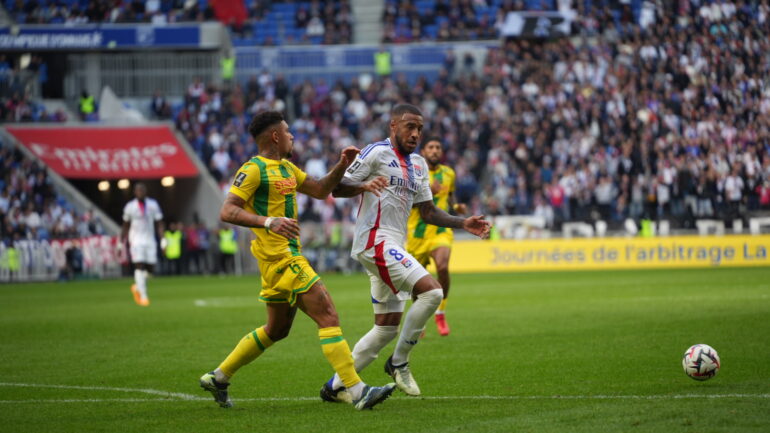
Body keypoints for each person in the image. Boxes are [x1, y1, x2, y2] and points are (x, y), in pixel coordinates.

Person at [199, 110, 396, 411]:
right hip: (281, 257)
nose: (292, 136)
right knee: (327, 313)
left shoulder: (287, 168)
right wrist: (268, 222)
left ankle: (219, 377)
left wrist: (342, 165)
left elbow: (319, 190)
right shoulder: (253, 170)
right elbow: (227, 211)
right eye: (288, 131)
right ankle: (356, 391)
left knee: (276, 330)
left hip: (280, 261)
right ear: (275, 136)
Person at [322, 104, 490, 401]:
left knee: (386, 328)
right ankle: (398, 362)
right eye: (409, 127)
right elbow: (338, 187)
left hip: (393, 244)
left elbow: (427, 211)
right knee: (433, 292)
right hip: (375, 240)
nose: (415, 134)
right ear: (393, 126)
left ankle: (335, 387)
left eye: (419, 129)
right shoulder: (375, 152)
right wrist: (363, 184)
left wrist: (462, 222)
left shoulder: (419, 165)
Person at [405, 137, 467, 336]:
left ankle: (440, 312)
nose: (434, 150)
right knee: (416, 280)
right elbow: (405, 202)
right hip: (418, 232)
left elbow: (450, 197)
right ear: (424, 151)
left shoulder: (449, 173)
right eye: (431, 147)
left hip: (440, 230)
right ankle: (419, 318)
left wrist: (457, 207)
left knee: (442, 266)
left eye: (438, 147)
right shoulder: (413, 173)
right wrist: (426, 193)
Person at [121, 182, 164, 307]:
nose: (140, 192)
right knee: (139, 265)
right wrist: (120, 243)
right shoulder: (130, 206)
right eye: (138, 191)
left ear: (146, 192)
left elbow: (159, 223)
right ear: (135, 192)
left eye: (142, 190)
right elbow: (125, 226)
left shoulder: (153, 205)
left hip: (150, 240)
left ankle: (137, 285)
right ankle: (144, 296)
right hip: (135, 240)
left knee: (151, 269)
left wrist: (163, 240)